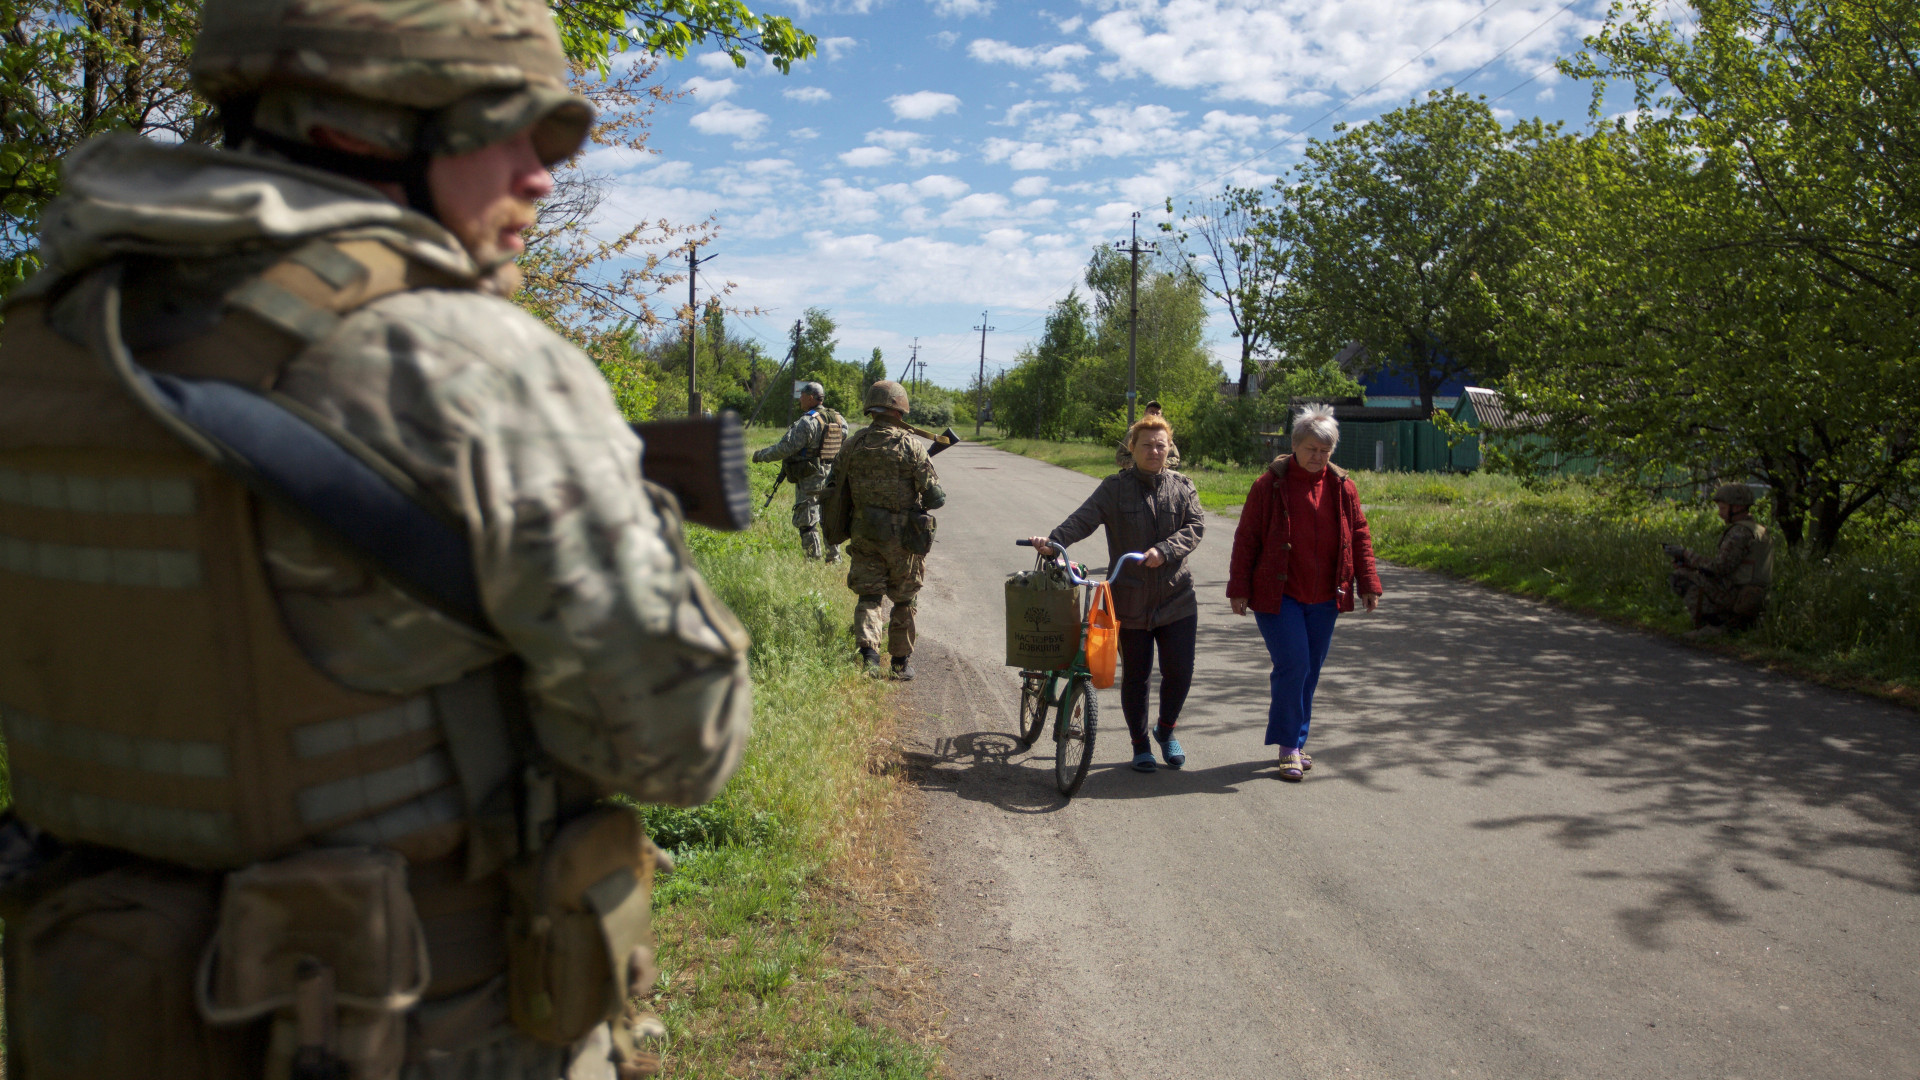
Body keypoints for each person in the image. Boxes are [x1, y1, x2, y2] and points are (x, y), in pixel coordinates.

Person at [0, 0, 751, 1075]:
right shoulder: (471, 366)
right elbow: (682, 749)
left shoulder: (42, 347)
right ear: (355, 130)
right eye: (511, 127)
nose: (543, 175)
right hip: (420, 1028)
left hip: (99, 1018)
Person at [1029, 414, 1204, 773]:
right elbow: (1084, 518)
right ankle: (1140, 744)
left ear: (1169, 448)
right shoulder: (1114, 488)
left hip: (1177, 598)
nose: (1154, 451)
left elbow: (1195, 526)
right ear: (1132, 449)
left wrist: (1166, 550)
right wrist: (1054, 542)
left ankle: (1166, 730)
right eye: (1146, 445)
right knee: (1137, 675)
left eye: (1161, 444)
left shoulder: (1183, 486)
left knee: (1180, 672)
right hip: (1129, 599)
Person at [1226, 404, 1382, 782]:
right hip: (1279, 595)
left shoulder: (1343, 486)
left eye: (1326, 450)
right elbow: (1247, 537)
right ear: (1295, 445)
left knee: (1308, 671)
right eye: (1312, 448)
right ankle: (1288, 746)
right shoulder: (1269, 485)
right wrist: (1239, 587)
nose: (1319, 456)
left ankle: (1296, 739)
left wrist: (1369, 583)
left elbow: (1359, 534)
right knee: (1293, 665)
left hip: (1327, 596)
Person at [829, 380, 946, 679]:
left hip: (864, 533)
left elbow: (833, 487)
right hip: (903, 540)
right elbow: (937, 498)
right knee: (905, 599)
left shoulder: (853, 444)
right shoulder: (911, 446)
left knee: (869, 596)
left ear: (872, 409)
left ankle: (869, 658)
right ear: (900, 410)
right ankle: (899, 664)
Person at [752, 380, 845, 562]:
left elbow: (784, 448)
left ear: (811, 398)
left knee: (806, 518)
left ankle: (813, 558)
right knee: (829, 517)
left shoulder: (807, 422)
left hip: (811, 477)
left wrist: (760, 455)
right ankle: (834, 558)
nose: (799, 400)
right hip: (832, 476)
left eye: (801, 396)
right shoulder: (839, 419)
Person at [1667, 483, 1774, 639]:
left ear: (1736, 507)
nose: (1720, 514)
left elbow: (1720, 567)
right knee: (1692, 572)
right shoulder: (1759, 530)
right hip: (1756, 598)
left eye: (1723, 509)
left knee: (1681, 576)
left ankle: (1715, 626)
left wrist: (1687, 555)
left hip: (1738, 595)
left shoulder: (1739, 532)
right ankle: (1735, 624)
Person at [1113, 399, 1182, 471]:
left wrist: (1160, 464)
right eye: (1151, 412)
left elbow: (1175, 458)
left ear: (1161, 415)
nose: (1154, 415)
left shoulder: (1164, 435)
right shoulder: (1134, 433)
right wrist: (1140, 464)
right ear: (1145, 413)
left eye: (1157, 413)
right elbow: (1120, 457)